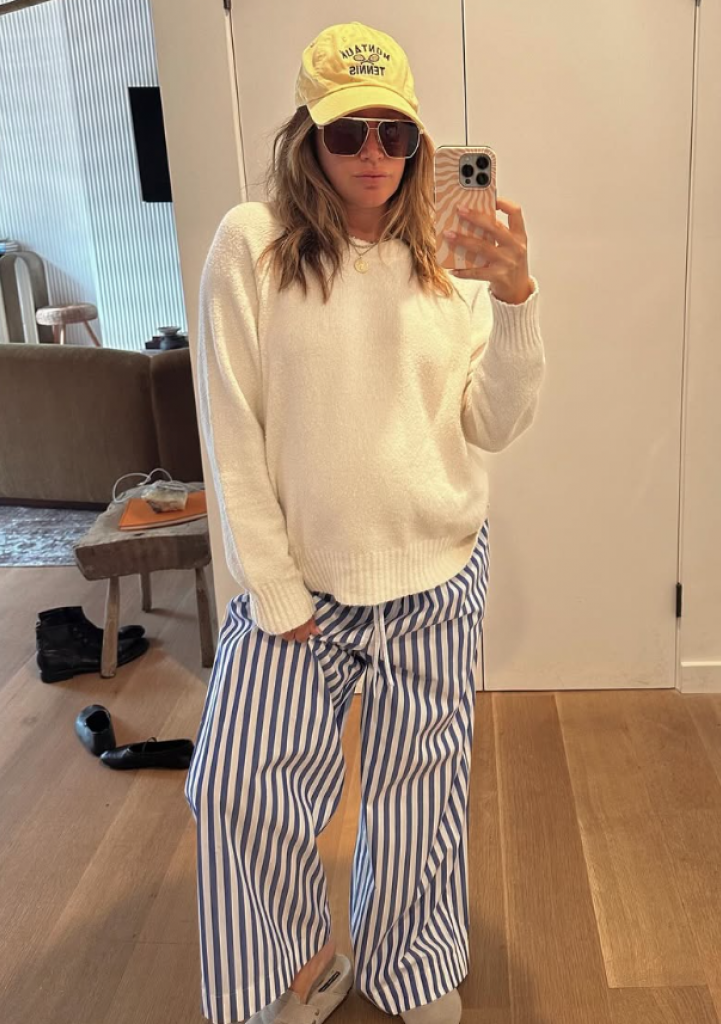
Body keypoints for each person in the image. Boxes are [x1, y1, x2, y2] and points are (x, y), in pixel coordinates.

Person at [183, 20, 545, 1024]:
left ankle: (410, 965)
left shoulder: (452, 258)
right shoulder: (251, 246)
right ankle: (296, 969)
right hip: (303, 588)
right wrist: (271, 586)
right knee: (237, 786)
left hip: (437, 579)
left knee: (419, 795)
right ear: (309, 137)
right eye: (348, 133)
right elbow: (232, 430)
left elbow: (491, 423)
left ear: (421, 141)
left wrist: (515, 297)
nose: (374, 155)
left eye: (394, 132)